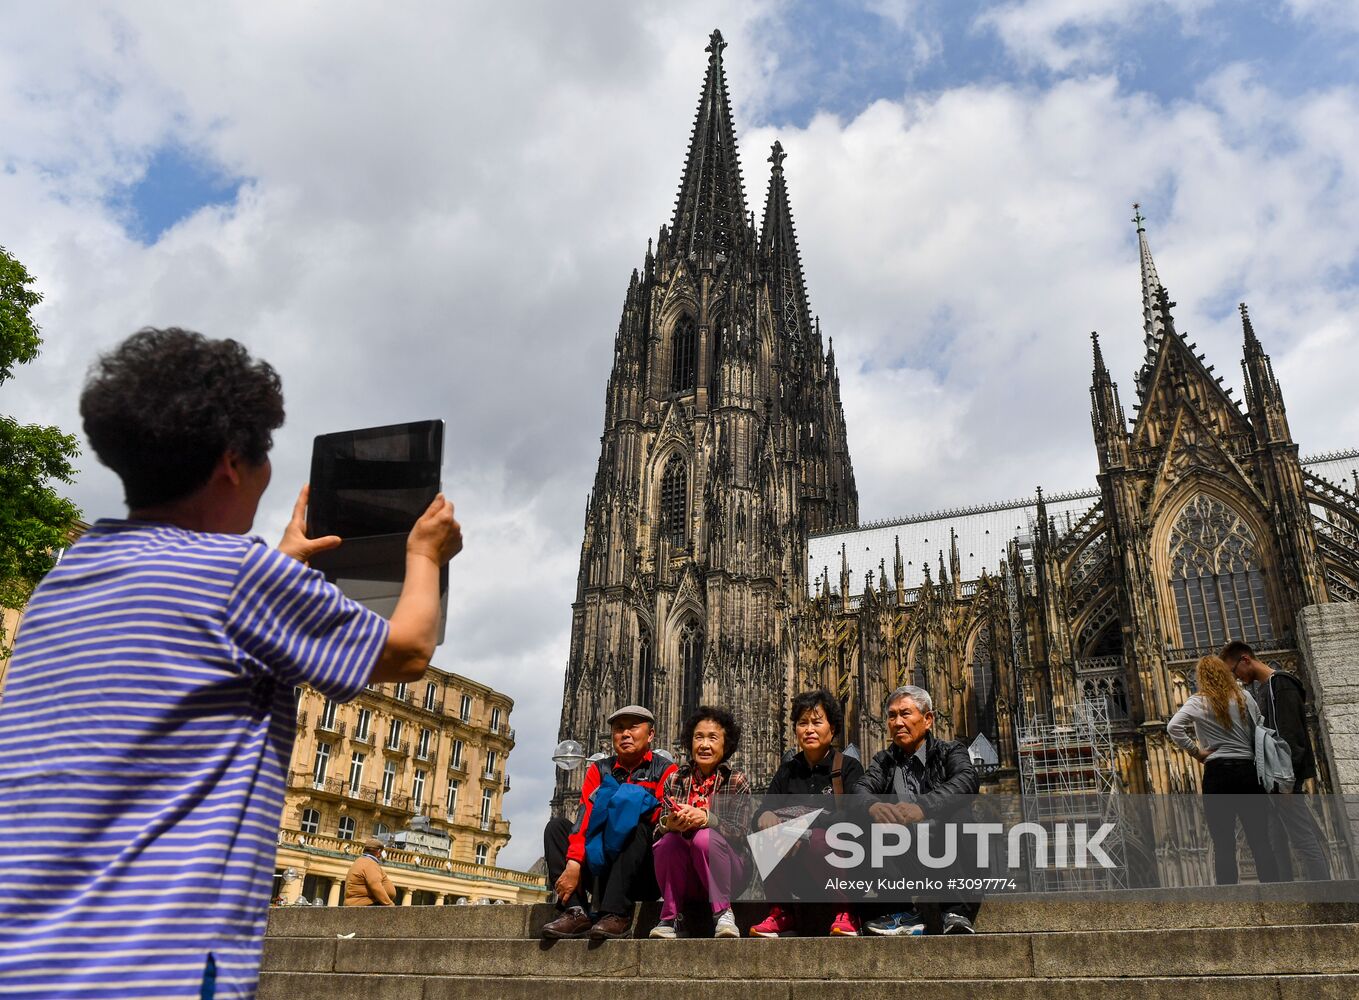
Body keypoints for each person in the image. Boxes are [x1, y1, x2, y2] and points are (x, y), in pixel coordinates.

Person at [0, 328, 462, 998]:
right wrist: (424, 554)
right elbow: (409, 651)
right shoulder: (239, 576)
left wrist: (277, 571)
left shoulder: (67, 576)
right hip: (153, 965)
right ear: (230, 464)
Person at [540, 705, 677, 940]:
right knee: (556, 827)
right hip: (600, 865)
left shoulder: (665, 770)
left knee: (637, 825)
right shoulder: (599, 769)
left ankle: (617, 914)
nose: (625, 734)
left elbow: (660, 823)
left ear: (650, 734)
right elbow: (584, 819)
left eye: (633, 727)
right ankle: (576, 911)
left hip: (640, 872)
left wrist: (622, 804)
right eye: (619, 728)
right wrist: (573, 863)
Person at [855, 685, 980, 936]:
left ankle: (956, 911)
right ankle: (902, 912)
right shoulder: (884, 761)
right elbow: (860, 789)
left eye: (905, 714)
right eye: (892, 716)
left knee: (961, 813)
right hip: (906, 854)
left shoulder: (949, 751)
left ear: (928, 719)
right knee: (868, 820)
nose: (897, 722)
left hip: (947, 851)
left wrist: (923, 807)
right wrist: (873, 806)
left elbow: (967, 780)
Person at [749, 688, 865, 938]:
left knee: (818, 840)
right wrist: (764, 818)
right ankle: (781, 912)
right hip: (799, 872)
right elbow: (761, 811)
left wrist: (804, 827)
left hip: (842, 865)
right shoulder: (788, 771)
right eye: (802, 723)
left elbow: (856, 816)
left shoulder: (848, 767)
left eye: (816, 722)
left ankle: (846, 912)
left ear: (832, 729)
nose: (809, 729)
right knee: (767, 837)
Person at [1166, 654, 1281, 885]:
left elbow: (1173, 727)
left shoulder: (1198, 701)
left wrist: (1195, 752)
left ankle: (1229, 900)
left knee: (1223, 842)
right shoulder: (1244, 697)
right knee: (1260, 839)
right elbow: (1259, 725)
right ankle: (1276, 894)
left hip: (1218, 774)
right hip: (1249, 772)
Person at [1223, 640, 1332, 881]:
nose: (1237, 678)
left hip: (1284, 781)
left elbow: (1291, 736)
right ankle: (1287, 900)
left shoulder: (1282, 685)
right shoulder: (1264, 689)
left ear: (1245, 660)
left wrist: (1286, 784)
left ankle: (1328, 901)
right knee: (1276, 843)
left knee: (1303, 840)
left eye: (1234, 671)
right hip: (1272, 782)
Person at [649, 706, 753, 939]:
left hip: (727, 872)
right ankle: (671, 917)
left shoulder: (736, 781)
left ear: (725, 745)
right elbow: (657, 831)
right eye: (699, 737)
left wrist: (708, 819)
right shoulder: (676, 779)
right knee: (668, 843)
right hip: (686, 875)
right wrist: (670, 825)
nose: (704, 744)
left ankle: (723, 913)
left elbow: (741, 833)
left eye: (712, 738)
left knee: (703, 838)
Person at [345, 838, 397, 906]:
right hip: (365, 904)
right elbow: (376, 886)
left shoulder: (361, 861)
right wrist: (389, 904)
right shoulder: (369, 864)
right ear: (378, 852)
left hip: (361, 903)